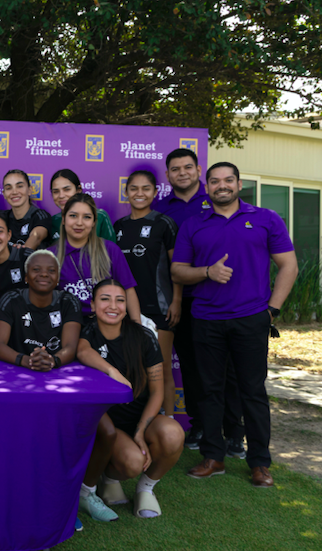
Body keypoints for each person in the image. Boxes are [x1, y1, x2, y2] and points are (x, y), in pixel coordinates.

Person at [172, 162, 298, 488]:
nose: (222, 186)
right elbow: (178, 272)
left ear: (239, 184)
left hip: (251, 320)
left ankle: (259, 463)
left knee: (252, 392)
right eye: (215, 181)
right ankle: (213, 458)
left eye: (228, 180)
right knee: (210, 392)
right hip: (207, 320)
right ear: (207, 187)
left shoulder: (266, 218)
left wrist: (272, 310)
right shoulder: (193, 225)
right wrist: (206, 272)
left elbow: (288, 265)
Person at [156, 148, 244, 455]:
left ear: (198, 171)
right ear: (168, 175)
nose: (182, 173)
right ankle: (201, 425)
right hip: (179, 300)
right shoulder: (160, 209)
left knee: (227, 370)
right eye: (175, 169)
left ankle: (234, 431)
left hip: (219, 299)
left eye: (187, 167)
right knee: (192, 368)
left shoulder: (217, 202)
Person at [76, 280, 184, 520]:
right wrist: (113, 372)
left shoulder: (144, 336)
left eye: (120, 300)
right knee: (132, 462)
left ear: (126, 306)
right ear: (93, 305)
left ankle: (146, 489)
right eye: (105, 299)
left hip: (140, 416)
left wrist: (141, 430)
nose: (112, 305)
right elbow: (83, 351)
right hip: (109, 425)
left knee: (173, 434)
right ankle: (110, 478)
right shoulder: (86, 333)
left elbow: (157, 391)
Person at [113, 170, 180, 417]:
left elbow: (177, 269)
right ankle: (136, 421)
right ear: (126, 192)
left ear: (155, 192)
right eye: (133, 188)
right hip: (124, 311)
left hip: (159, 308)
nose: (139, 194)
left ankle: (169, 421)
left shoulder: (164, 223)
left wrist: (176, 300)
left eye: (146, 189)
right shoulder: (118, 226)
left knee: (161, 370)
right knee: (133, 368)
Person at [51, 193, 140, 321]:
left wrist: (138, 328)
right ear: (64, 219)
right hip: (68, 327)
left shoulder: (110, 250)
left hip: (106, 325)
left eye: (87, 217)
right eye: (73, 216)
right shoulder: (50, 256)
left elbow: (128, 290)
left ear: (94, 222)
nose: (79, 223)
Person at [0, 250, 82, 370]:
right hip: (15, 370)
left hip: (55, 373)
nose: (44, 274)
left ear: (58, 278)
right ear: (26, 277)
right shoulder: (11, 299)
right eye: (36, 269)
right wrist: (26, 360)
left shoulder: (68, 302)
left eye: (51, 270)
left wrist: (52, 361)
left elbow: (70, 347)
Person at [49, 169, 116, 243]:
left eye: (67, 189)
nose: (61, 195)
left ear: (78, 190)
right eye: (56, 192)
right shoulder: (52, 221)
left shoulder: (100, 216)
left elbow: (111, 252)